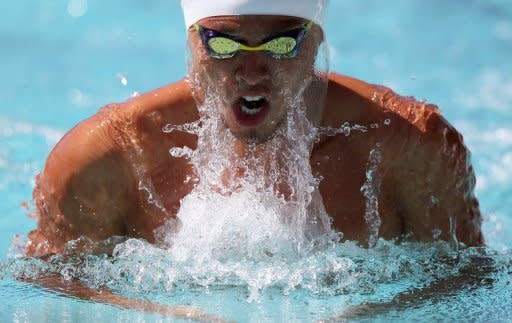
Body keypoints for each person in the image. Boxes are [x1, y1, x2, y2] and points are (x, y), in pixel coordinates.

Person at [25, 0, 483, 257]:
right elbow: (53, 298)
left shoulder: (411, 145)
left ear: (316, 41)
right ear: (191, 42)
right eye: (223, 44)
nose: (251, 72)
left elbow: (466, 291)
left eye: (282, 44)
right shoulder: (104, 160)